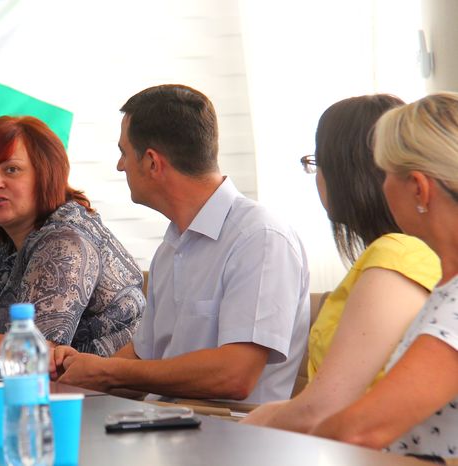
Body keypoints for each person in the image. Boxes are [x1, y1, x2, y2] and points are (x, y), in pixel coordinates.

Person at [52, 84, 310, 403]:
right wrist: (79, 370)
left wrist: (107, 372)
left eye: (123, 152)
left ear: (152, 162)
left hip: (229, 430)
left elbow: (235, 375)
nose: (120, 166)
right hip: (163, 423)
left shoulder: (261, 238)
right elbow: (144, 360)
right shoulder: (171, 247)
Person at [242, 96, 441, 431]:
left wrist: (257, 424)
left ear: (348, 171)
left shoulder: (397, 256)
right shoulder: (399, 254)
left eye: (318, 162)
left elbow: (324, 408)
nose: (317, 177)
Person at [0, 115, 144, 359]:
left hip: (109, 382)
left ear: (45, 173)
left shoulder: (66, 241)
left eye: (11, 169)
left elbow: (34, 345)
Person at [311, 92, 458, 457]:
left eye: (387, 173)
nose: (382, 186)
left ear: (419, 189)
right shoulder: (445, 287)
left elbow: (360, 431)